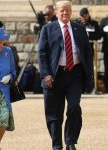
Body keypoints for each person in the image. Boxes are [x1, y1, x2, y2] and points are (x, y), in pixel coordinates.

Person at [38, 1, 94, 150]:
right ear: (56, 12)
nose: (65, 13)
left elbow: (87, 53)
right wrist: (46, 74)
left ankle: (70, 142)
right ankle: (57, 145)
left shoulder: (80, 29)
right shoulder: (47, 29)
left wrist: (89, 75)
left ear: (71, 12)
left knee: (74, 107)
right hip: (54, 76)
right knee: (54, 113)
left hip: (75, 74)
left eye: (68, 11)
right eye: (62, 11)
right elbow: (42, 53)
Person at [100, 16, 108, 93]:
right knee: (107, 69)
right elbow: (99, 33)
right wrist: (104, 31)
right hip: (107, 49)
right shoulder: (104, 21)